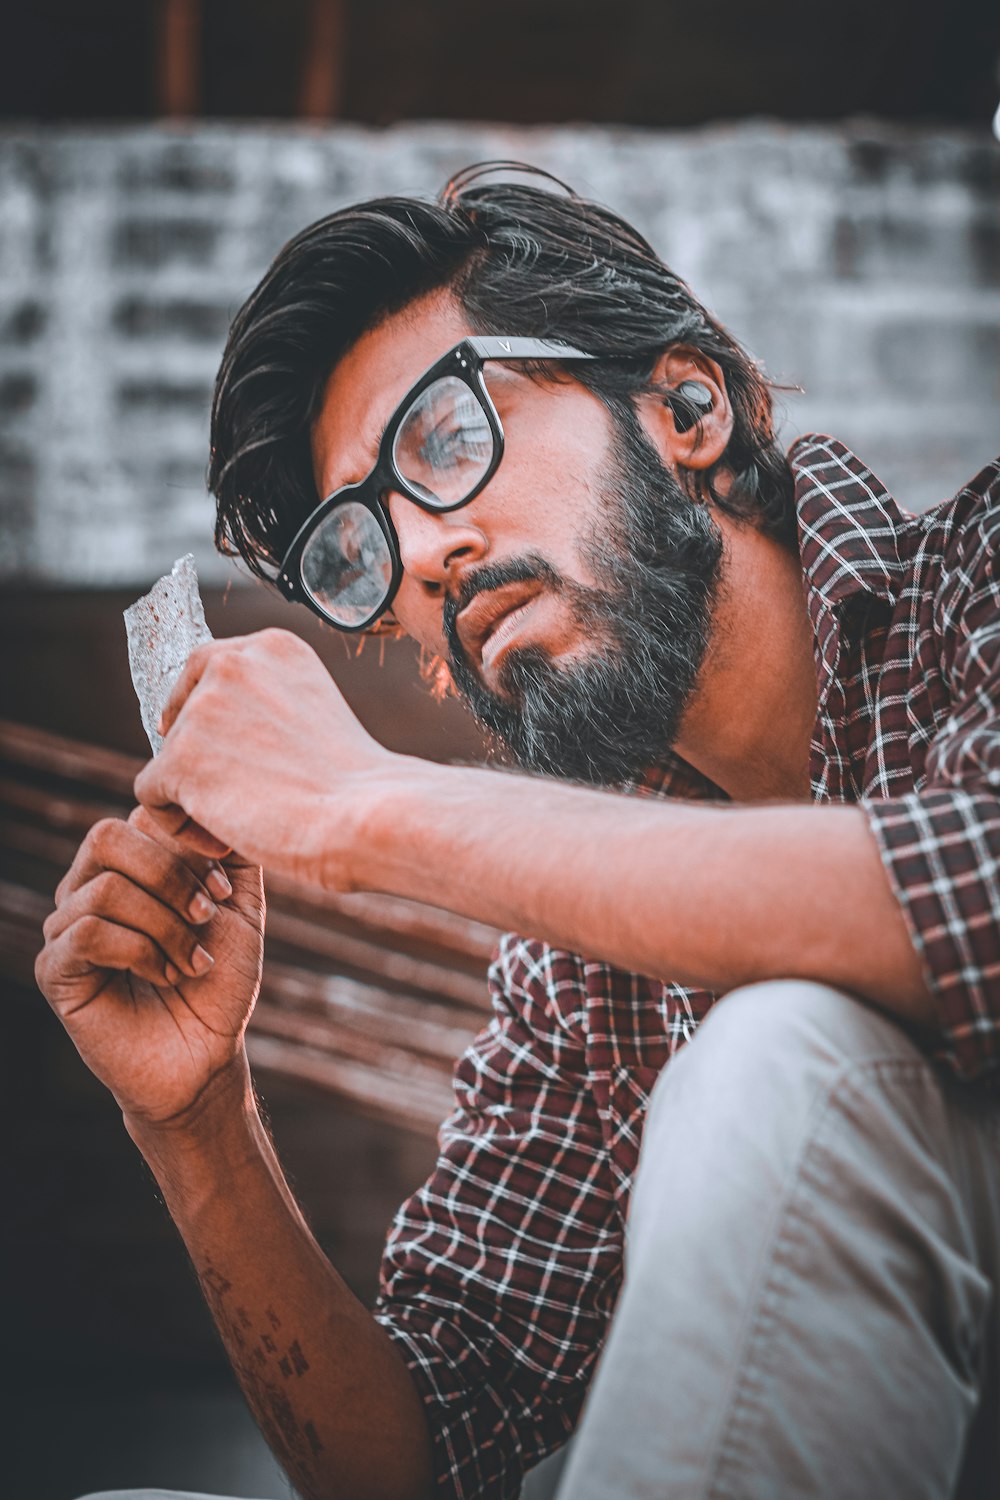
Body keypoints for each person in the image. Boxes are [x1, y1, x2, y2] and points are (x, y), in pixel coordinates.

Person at [36, 166, 1000, 1500]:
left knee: (788, 1048)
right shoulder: (576, 969)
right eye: (359, 547)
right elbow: (429, 1457)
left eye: (445, 438)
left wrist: (357, 806)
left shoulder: (979, 580)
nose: (420, 554)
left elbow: (975, 900)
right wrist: (198, 1124)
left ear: (685, 409)